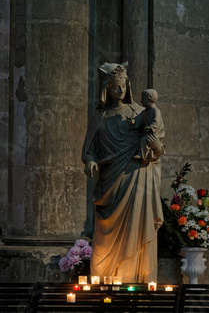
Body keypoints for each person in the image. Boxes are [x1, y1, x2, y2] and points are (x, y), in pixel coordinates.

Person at [81, 62, 165, 282]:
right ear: (106, 89)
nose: (120, 91)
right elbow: (88, 150)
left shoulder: (140, 112)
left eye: (123, 86)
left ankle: (134, 280)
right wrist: (90, 162)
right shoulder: (99, 118)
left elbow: (157, 146)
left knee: (135, 231)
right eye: (115, 87)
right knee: (104, 240)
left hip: (138, 176)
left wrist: (152, 145)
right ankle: (106, 281)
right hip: (110, 183)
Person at [129, 89, 165, 162]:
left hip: (155, 133)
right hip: (147, 132)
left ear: (149, 99)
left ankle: (142, 155)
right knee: (143, 140)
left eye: (143, 99)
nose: (141, 101)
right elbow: (139, 119)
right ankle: (143, 154)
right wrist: (133, 121)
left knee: (145, 140)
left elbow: (156, 121)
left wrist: (151, 127)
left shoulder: (156, 110)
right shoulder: (145, 112)